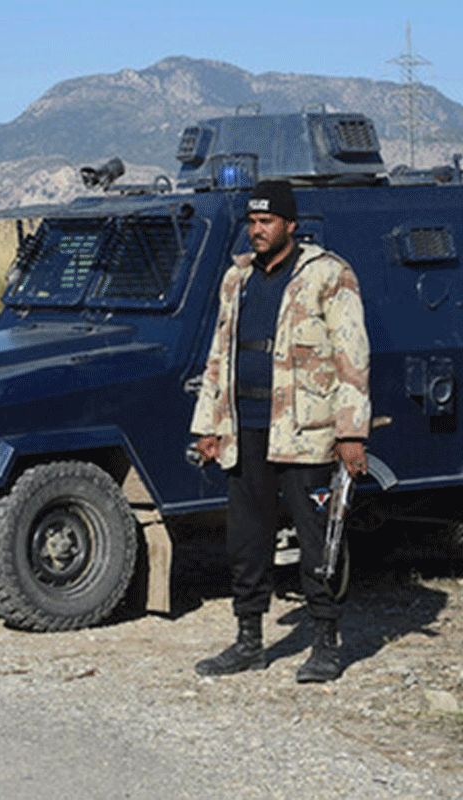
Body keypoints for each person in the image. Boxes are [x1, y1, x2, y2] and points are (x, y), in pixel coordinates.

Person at [189, 180, 370, 683]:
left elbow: (353, 359)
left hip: (307, 434)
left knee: (319, 542)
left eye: (267, 222)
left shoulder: (327, 275)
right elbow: (218, 357)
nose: (257, 230)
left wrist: (351, 433)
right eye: (252, 221)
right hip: (245, 430)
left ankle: (326, 644)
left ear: (290, 224)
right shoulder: (237, 279)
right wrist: (209, 425)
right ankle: (249, 641)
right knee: (246, 541)